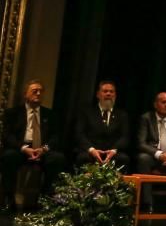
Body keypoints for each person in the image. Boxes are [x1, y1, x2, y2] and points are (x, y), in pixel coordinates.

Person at [1, 80, 67, 212]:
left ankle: (44, 200)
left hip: (42, 149)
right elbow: (8, 136)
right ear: (26, 95)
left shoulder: (50, 114)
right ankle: (8, 199)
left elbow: (55, 137)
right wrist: (25, 149)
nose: (38, 93)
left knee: (58, 158)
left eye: (40, 91)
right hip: (21, 149)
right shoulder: (12, 113)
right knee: (8, 157)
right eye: (34, 91)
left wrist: (43, 149)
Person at [74, 80, 130, 170]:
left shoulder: (122, 114)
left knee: (123, 159)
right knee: (83, 158)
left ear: (115, 95)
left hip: (112, 153)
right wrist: (92, 150)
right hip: (91, 151)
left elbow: (125, 136)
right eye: (105, 91)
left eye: (111, 92)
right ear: (98, 94)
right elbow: (79, 134)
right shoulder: (86, 112)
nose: (108, 94)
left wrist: (114, 150)